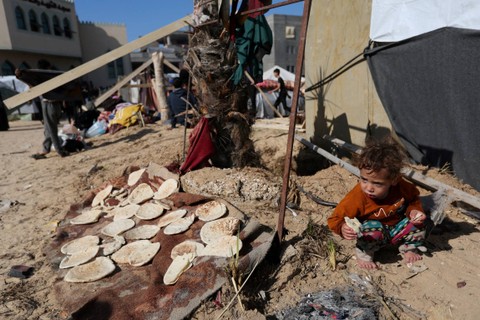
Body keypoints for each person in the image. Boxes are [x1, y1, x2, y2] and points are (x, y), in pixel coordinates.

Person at [327, 137, 427, 269]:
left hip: (397, 229)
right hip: (374, 235)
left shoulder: (402, 187)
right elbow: (335, 219)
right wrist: (342, 228)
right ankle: (364, 255)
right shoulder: (357, 197)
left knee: (418, 223)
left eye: (377, 183)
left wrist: (414, 211)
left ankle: (408, 248)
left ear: (394, 180)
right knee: (371, 228)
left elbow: (414, 199)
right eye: (364, 179)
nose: (369, 187)